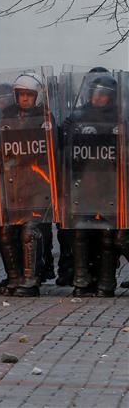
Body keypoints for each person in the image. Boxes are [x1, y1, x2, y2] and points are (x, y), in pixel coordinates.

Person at [0, 73, 54, 297]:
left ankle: (31, 279)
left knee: (30, 230)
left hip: (38, 185)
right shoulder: (5, 120)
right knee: (7, 231)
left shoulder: (45, 120)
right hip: (13, 184)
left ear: (37, 97)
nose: (25, 99)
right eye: (21, 95)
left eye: (29, 95)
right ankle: (14, 277)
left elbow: (52, 153)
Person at [65, 73, 121, 297]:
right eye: (96, 94)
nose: (99, 99)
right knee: (81, 231)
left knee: (107, 234)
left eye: (104, 96)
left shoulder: (119, 119)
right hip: (83, 183)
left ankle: (106, 281)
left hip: (109, 184)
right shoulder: (77, 117)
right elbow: (66, 148)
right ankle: (82, 279)